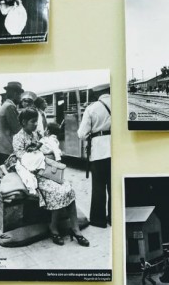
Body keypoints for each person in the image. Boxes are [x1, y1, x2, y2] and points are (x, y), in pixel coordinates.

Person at [13, 108, 89, 247]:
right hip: (36, 174)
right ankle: (53, 227)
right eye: (32, 122)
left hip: (47, 169)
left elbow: (47, 146)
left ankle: (76, 229)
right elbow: (23, 160)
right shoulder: (18, 138)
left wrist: (42, 149)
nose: (36, 124)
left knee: (69, 188)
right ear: (24, 122)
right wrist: (38, 153)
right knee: (57, 191)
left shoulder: (37, 134)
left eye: (36, 121)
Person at [77, 82, 111, 228]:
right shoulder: (121, 104)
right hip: (117, 150)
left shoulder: (92, 108)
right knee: (114, 186)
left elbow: (82, 134)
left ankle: (99, 220)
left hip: (99, 151)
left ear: (97, 94)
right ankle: (113, 218)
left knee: (98, 186)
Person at [0, 81, 24, 166]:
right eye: (20, 95)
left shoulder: (5, 105)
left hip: (4, 147)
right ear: (15, 94)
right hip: (9, 149)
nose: (20, 98)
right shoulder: (10, 107)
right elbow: (17, 129)